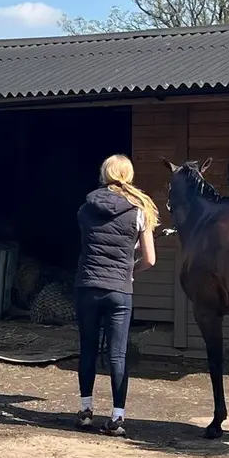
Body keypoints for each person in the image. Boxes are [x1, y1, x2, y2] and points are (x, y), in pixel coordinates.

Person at [74, 154, 158, 437]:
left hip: (87, 285)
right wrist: (130, 270)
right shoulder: (139, 210)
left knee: (87, 348)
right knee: (117, 355)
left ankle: (86, 410)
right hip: (119, 289)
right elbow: (150, 259)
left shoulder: (86, 208)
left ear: (104, 173)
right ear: (129, 175)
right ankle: (118, 416)